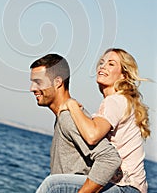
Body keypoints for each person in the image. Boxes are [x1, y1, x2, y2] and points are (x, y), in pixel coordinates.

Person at [59, 48, 151, 193]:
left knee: (55, 185)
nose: (103, 66)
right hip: (135, 187)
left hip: (125, 187)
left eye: (111, 64)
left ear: (124, 75)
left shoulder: (115, 101)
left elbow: (92, 136)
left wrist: (71, 104)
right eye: (102, 62)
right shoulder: (123, 101)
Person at [30, 53, 122, 193]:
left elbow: (110, 159)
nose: (32, 88)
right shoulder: (63, 117)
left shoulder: (69, 118)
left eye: (38, 82)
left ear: (57, 82)